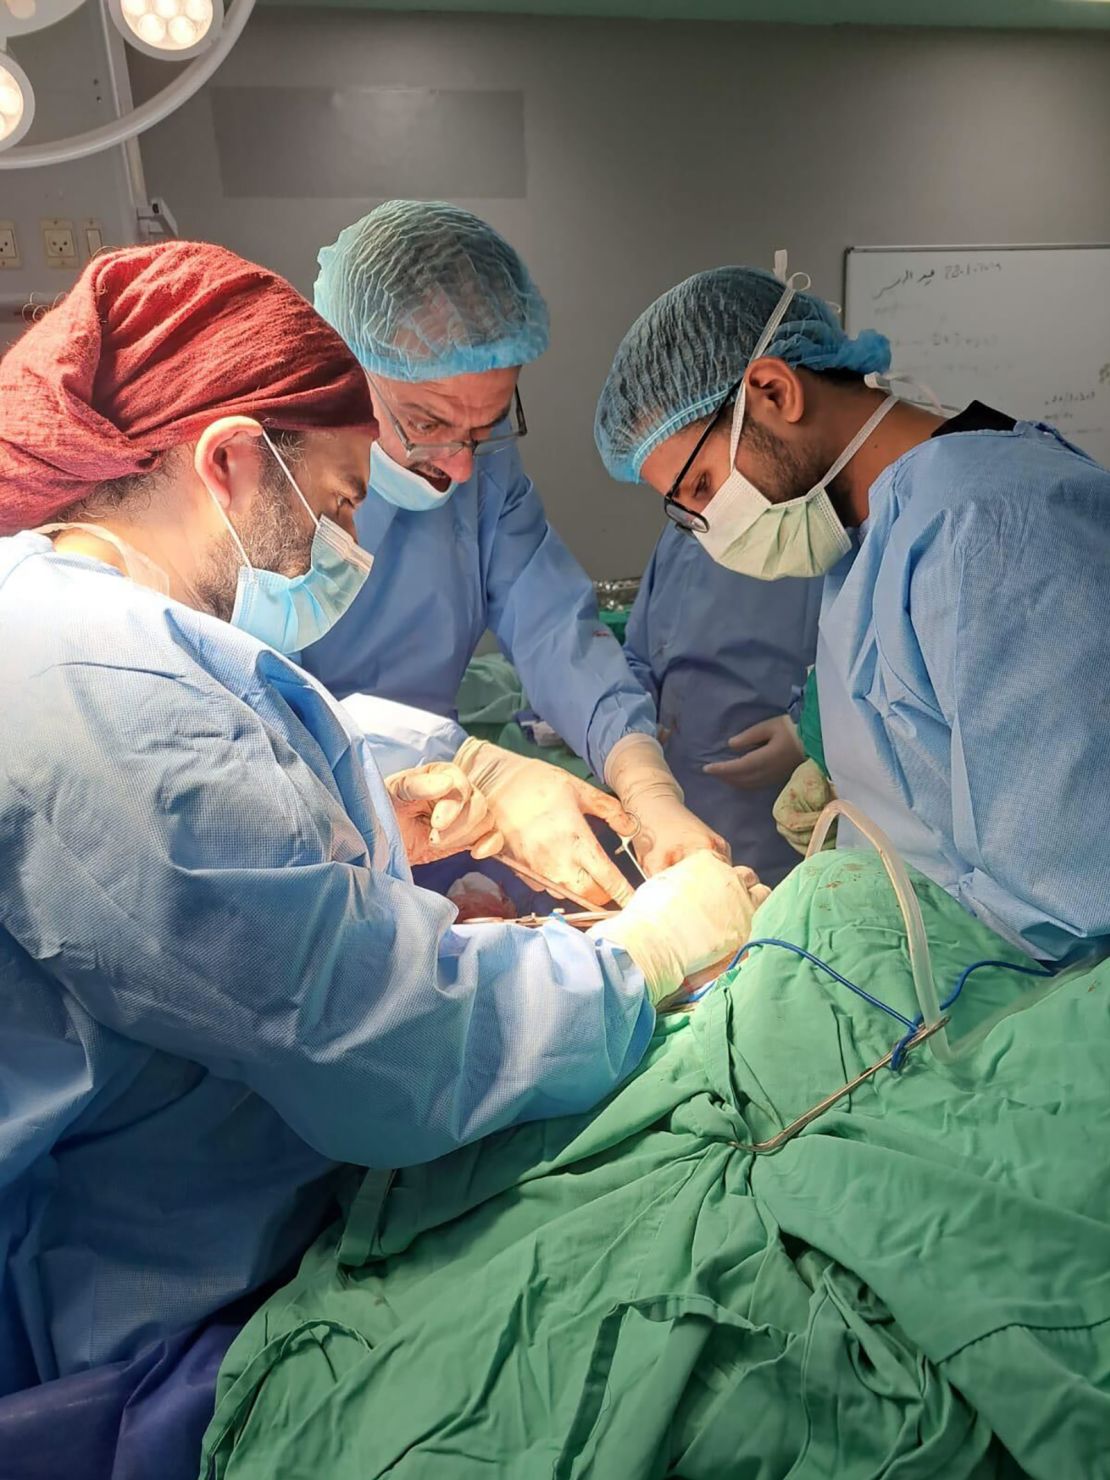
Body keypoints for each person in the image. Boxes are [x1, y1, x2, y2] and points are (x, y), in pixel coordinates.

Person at [0, 242, 770, 1465]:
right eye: (346, 504)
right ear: (232, 459)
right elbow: (383, 1036)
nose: (354, 540)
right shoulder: (101, 697)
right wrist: (639, 956)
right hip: (144, 1309)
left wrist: (440, 783)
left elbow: (242, 761)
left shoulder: (77, 620)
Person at [595, 265, 1110, 963]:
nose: (708, 526)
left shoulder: (991, 527)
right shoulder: (864, 540)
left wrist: (860, 951)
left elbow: (1071, 909)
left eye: (704, 485)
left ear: (773, 391)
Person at [304, 201, 725, 877]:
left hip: (441, 815)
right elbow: (244, 711)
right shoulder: (268, 482)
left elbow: (554, 629)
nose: (461, 464)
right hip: (301, 820)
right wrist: (438, 764)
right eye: (428, 422)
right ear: (348, 369)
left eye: (486, 426)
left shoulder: (483, 473)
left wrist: (645, 784)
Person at [623, 523, 821, 887]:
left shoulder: (804, 523)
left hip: (769, 813)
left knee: (763, 912)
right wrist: (631, 721)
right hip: (677, 779)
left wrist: (807, 729)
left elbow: (860, 657)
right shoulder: (681, 530)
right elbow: (641, 650)